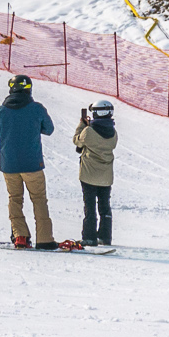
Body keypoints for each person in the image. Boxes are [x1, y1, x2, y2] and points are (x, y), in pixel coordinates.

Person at [0, 73, 59, 249]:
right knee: (39, 199)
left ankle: (20, 237)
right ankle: (44, 239)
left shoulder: (0, 111)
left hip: (9, 164)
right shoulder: (37, 108)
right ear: (29, 89)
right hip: (33, 164)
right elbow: (49, 129)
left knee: (15, 199)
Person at [74, 100, 117, 249]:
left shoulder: (88, 131)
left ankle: (89, 237)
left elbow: (77, 141)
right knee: (105, 206)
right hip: (106, 176)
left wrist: (82, 125)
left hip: (89, 175)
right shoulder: (113, 133)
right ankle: (105, 236)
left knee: (90, 206)